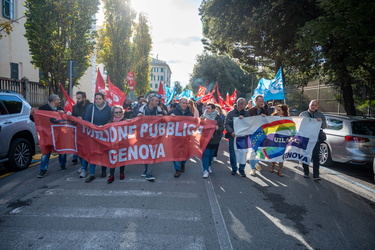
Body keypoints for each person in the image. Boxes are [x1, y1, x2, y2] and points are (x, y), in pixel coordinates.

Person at [30, 94, 67, 178]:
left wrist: (63, 114)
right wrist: (32, 114)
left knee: (61, 151)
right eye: (58, 100)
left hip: (58, 134)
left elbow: (65, 120)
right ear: (53, 101)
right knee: (46, 152)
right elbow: (35, 119)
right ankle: (43, 170)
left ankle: (63, 165)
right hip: (47, 135)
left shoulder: (60, 109)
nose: (59, 101)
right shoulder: (43, 108)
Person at [83, 92, 112, 183]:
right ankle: (92, 174)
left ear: (103, 99)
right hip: (93, 133)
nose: (98, 100)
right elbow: (86, 119)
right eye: (96, 99)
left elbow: (111, 119)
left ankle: (104, 170)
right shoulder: (91, 108)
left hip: (104, 133)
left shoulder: (109, 109)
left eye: (100, 99)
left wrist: (104, 126)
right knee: (93, 152)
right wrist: (93, 126)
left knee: (103, 152)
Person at [137, 93, 164, 181]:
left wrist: (162, 117)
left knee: (151, 154)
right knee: (145, 153)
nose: (158, 102)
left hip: (154, 135)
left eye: (158, 101)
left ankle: (149, 173)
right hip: (144, 135)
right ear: (151, 101)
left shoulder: (159, 109)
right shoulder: (141, 109)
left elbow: (165, 119)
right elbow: (132, 119)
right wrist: (138, 117)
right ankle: (146, 170)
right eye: (156, 100)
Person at [299, 100, 327, 181]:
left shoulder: (320, 115)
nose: (313, 106)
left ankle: (316, 175)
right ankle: (306, 171)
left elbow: (325, 126)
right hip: (305, 139)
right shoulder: (303, 114)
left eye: (315, 105)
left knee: (315, 157)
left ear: (317, 106)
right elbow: (299, 125)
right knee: (305, 155)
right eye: (312, 105)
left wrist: (321, 121)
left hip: (316, 139)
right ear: (309, 105)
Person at [168, 97, 194, 178]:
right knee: (175, 153)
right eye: (183, 103)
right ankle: (177, 169)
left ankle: (182, 163)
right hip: (175, 137)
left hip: (186, 137)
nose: (184, 105)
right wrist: (170, 118)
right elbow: (165, 123)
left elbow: (193, 125)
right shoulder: (172, 112)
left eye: (186, 103)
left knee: (185, 153)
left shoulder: (190, 114)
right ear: (179, 103)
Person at [225, 98, 249, 176]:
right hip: (233, 136)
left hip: (243, 137)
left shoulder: (246, 113)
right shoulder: (231, 113)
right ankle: (234, 168)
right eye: (244, 104)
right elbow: (227, 124)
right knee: (233, 152)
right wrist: (231, 132)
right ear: (239, 104)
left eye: (245, 104)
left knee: (243, 152)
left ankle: (242, 169)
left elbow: (249, 123)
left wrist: (244, 119)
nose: (245, 106)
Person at [247, 94, 269, 175]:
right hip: (252, 134)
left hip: (262, 134)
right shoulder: (250, 111)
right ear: (255, 102)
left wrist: (265, 118)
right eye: (260, 101)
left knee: (259, 151)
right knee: (253, 151)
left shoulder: (266, 111)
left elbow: (269, 123)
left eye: (262, 101)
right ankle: (253, 168)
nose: (262, 103)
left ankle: (256, 162)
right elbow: (247, 123)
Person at [201, 103, 224, 178]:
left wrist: (218, 128)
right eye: (206, 108)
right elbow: (198, 125)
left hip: (214, 139)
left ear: (213, 109)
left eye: (209, 108)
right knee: (205, 154)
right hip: (205, 139)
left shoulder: (218, 117)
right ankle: (205, 170)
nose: (206, 110)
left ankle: (209, 166)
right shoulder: (203, 116)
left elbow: (222, 128)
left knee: (211, 155)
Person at [71, 91, 91, 177]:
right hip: (78, 131)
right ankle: (83, 165)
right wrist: (74, 119)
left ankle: (84, 168)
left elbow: (92, 118)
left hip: (87, 131)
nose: (77, 100)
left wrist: (83, 119)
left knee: (85, 150)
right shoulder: (75, 107)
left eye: (79, 98)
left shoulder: (90, 106)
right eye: (77, 98)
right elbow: (72, 118)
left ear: (84, 98)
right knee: (79, 150)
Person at [106, 105, 126, 183]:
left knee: (122, 158)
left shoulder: (126, 120)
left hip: (122, 143)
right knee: (112, 159)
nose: (118, 113)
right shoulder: (109, 122)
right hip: (112, 144)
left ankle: (121, 173)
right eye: (116, 112)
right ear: (113, 113)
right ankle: (112, 175)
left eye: (120, 112)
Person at [270, 104, 290, 176]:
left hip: (284, 138)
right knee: (274, 152)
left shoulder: (288, 119)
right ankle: (272, 166)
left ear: (283, 111)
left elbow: (290, 128)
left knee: (282, 154)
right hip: (275, 137)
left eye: (279, 110)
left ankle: (280, 170)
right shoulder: (274, 117)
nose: (277, 111)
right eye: (277, 110)